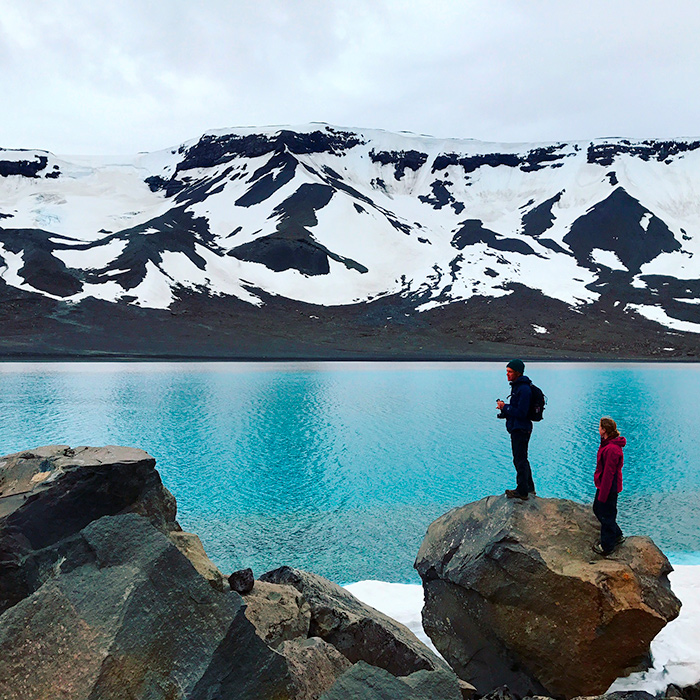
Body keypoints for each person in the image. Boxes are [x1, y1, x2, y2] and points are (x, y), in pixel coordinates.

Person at [496, 359, 535, 500]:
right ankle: (529, 487)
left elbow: (521, 412)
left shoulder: (523, 389)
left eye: (510, 372)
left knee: (519, 460)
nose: (507, 374)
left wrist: (505, 407)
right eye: (507, 371)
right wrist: (506, 410)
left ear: (518, 373)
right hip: (518, 428)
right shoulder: (518, 387)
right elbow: (517, 410)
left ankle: (522, 491)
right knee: (521, 459)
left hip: (521, 429)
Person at [592, 417, 626, 555]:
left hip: (609, 486)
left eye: (600, 427)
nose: (598, 429)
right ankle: (616, 534)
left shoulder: (612, 449)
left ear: (604, 430)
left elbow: (608, 474)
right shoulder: (607, 443)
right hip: (604, 485)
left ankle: (607, 546)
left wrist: (603, 494)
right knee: (599, 510)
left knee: (606, 514)